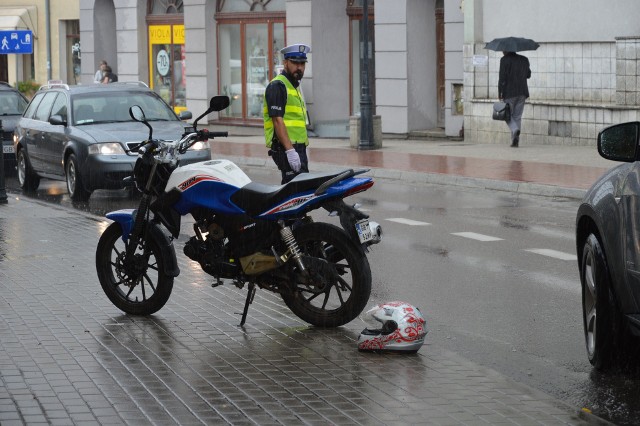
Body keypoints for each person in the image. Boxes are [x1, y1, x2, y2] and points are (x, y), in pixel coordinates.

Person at [264, 43, 311, 184]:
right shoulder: (278, 85)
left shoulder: (293, 85)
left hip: (297, 147)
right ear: (285, 63)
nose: (300, 67)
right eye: (295, 63)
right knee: (296, 190)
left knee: (297, 191)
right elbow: (277, 120)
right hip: (286, 147)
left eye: (302, 64)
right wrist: (290, 151)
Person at [498, 51, 531, 147]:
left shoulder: (504, 60)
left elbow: (501, 78)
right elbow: (528, 75)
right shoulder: (524, 59)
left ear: (507, 50)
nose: (502, 51)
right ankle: (515, 141)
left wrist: (500, 92)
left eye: (503, 50)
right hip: (522, 92)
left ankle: (514, 129)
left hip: (509, 93)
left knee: (506, 115)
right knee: (517, 117)